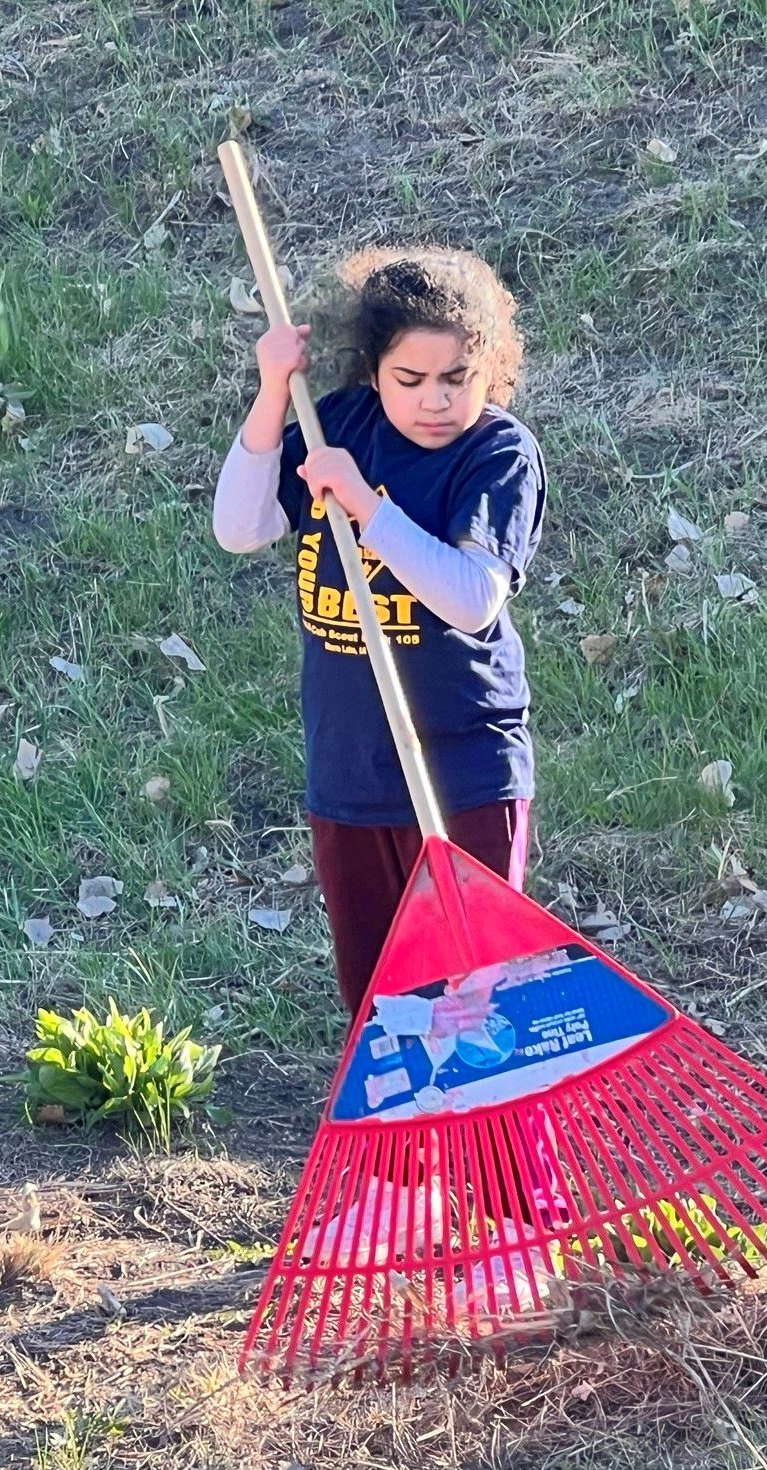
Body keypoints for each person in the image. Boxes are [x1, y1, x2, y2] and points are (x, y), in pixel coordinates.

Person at [214, 246, 554, 1268]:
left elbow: (470, 596)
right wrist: (274, 394)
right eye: (411, 380)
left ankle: (509, 1221)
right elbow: (241, 528)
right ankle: (406, 1196)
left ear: (490, 371)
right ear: (371, 374)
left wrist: (370, 509)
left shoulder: (496, 455)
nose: (436, 400)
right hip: (353, 763)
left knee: (474, 993)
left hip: (462, 765)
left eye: (458, 378)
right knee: (378, 989)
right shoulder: (339, 425)